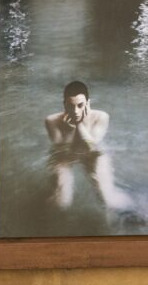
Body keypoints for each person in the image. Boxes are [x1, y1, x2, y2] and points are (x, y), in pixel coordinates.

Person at [44, 81, 132, 212]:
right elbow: (60, 149)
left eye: (80, 105)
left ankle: (134, 210)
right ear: (64, 104)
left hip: (93, 154)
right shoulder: (52, 120)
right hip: (65, 157)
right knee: (62, 203)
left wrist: (78, 124)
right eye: (71, 105)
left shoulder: (101, 117)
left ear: (88, 103)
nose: (75, 111)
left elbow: (92, 146)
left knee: (107, 200)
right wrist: (69, 130)